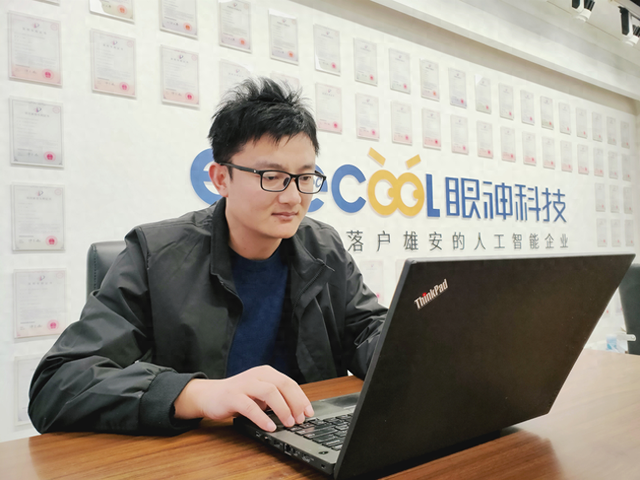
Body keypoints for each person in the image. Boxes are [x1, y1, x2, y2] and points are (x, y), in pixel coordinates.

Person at [28, 78, 387, 436]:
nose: (293, 197)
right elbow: (57, 383)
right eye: (272, 176)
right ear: (221, 178)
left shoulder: (323, 247)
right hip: (203, 451)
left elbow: (368, 331)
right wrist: (196, 394)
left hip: (309, 439)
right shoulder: (156, 255)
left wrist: (413, 347)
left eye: (305, 177)